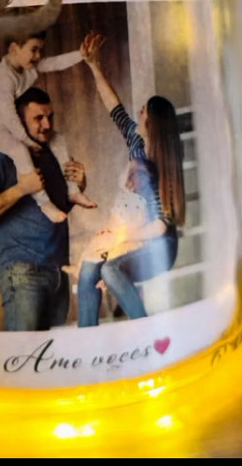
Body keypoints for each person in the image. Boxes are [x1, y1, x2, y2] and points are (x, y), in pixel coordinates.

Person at [74, 35, 186, 326]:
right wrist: (93, 66)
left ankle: (144, 330)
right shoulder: (136, 142)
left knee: (110, 270)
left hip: (157, 243)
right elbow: (115, 108)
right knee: (87, 273)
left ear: (153, 123)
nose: (138, 112)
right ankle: (87, 339)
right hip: (133, 232)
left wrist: (120, 238)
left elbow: (159, 226)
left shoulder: (161, 168)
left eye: (144, 110)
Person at [0, 86, 96, 331]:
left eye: (50, 117)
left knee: (51, 353)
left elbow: (54, 213)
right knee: (25, 351)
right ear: (18, 122)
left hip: (58, 274)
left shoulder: (54, 154)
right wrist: (21, 189)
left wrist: (78, 187)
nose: (47, 125)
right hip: (23, 274)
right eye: (38, 118)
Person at [0, 31, 95, 222]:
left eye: (40, 50)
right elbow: (8, 115)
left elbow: (54, 63)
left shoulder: (27, 66)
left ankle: (73, 192)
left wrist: (80, 55)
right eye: (34, 50)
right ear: (14, 49)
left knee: (58, 139)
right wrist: (26, 141)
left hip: (14, 123)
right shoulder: (2, 77)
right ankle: (44, 203)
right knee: (20, 150)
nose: (38, 55)